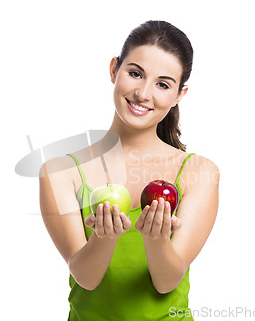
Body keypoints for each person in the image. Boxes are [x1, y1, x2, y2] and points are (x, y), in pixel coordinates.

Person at [39, 20, 220, 321]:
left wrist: (156, 239)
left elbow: (167, 282)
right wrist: (105, 237)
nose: (143, 93)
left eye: (163, 84)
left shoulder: (199, 172)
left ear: (179, 95)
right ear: (114, 70)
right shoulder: (60, 171)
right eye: (135, 73)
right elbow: (86, 277)